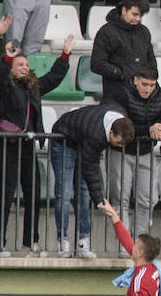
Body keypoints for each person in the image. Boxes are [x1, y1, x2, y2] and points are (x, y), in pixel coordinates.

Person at [49, 99, 135, 260]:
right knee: (65, 193)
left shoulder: (121, 117)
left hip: (83, 141)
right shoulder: (98, 135)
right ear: (111, 133)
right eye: (119, 142)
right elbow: (91, 167)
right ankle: (63, 240)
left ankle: (83, 240)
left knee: (84, 193)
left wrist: (97, 198)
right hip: (63, 139)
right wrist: (100, 200)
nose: (120, 146)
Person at [107, 65, 161, 240]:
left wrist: (160, 129)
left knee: (147, 200)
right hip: (121, 151)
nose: (148, 89)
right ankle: (125, 245)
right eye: (145, 84)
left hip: (146, 152)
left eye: (152, 85)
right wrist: (148, 130)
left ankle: (140, 244)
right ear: (136, 81)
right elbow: (122, 125)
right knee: (121, 199)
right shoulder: (121, 95)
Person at [89, 0, 154, 92]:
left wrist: (148, 78)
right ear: (124, 10)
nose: (138, 19)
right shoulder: (106, 32)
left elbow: (151, 61)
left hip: (142, 94)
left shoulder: (144, 32)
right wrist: (121, 73)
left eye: (141, 16)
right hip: (116, 92)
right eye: (135, 14)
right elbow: (97, 63)